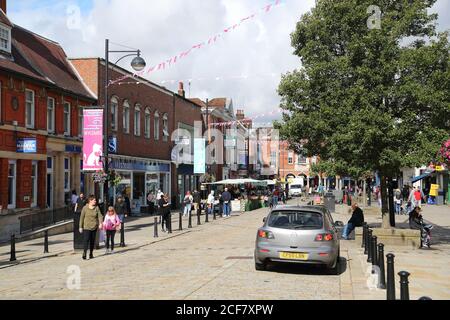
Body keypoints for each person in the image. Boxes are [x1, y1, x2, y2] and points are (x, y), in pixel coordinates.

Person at [79, 195, 103, 260]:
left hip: (94, 227)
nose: (95, 201)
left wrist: (101, 223)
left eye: (95, 200)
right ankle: (84, 253)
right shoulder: (85, 208)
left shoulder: (97, 208)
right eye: (94, 200)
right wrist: (80, 227)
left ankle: (91, 253)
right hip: (86, 227)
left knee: (92, 241)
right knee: (86, 240)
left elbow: (100, 216)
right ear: (90, 200)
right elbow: (81, 217)